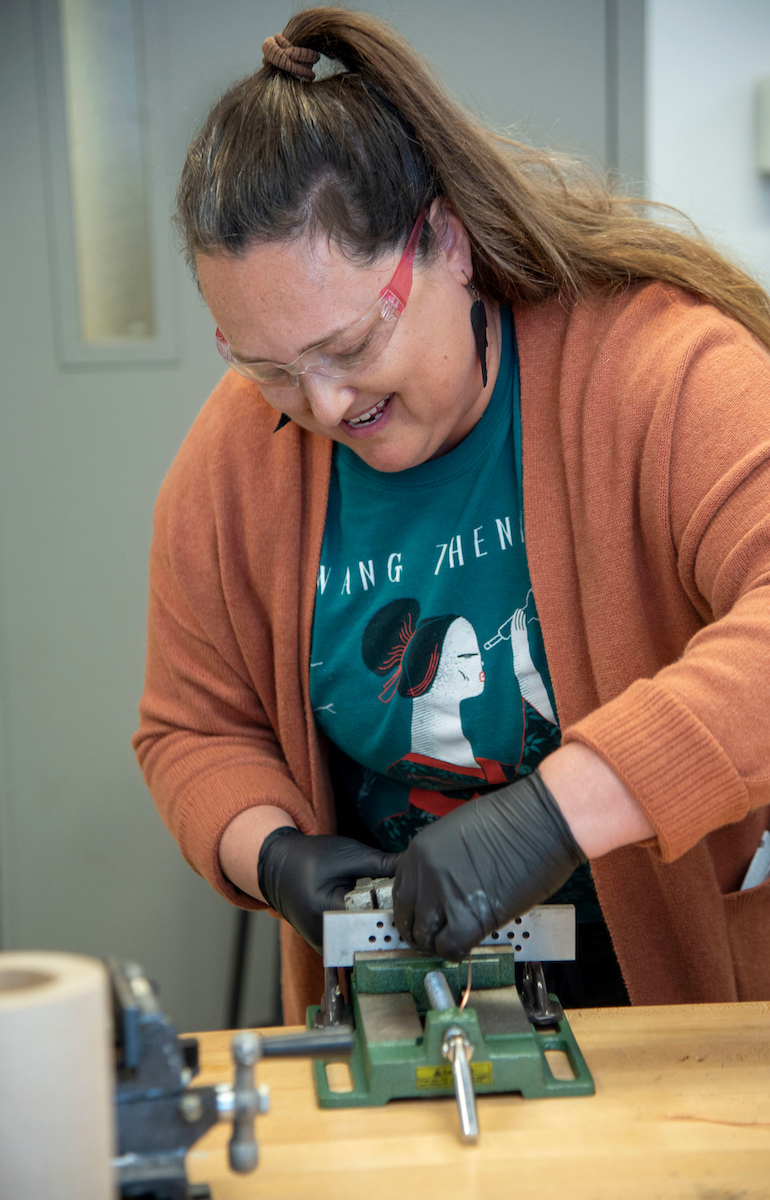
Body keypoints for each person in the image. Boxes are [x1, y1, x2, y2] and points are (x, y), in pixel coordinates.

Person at [133, 7, 770, 1024]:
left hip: (668, 996)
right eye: (269, 370)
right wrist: (276, 853)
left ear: (445, 243)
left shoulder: (659, 372)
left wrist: (557, 812)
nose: (326, 407)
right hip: (403, 996)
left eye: (348, 346)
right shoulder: (234, 464)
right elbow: (192, 727)